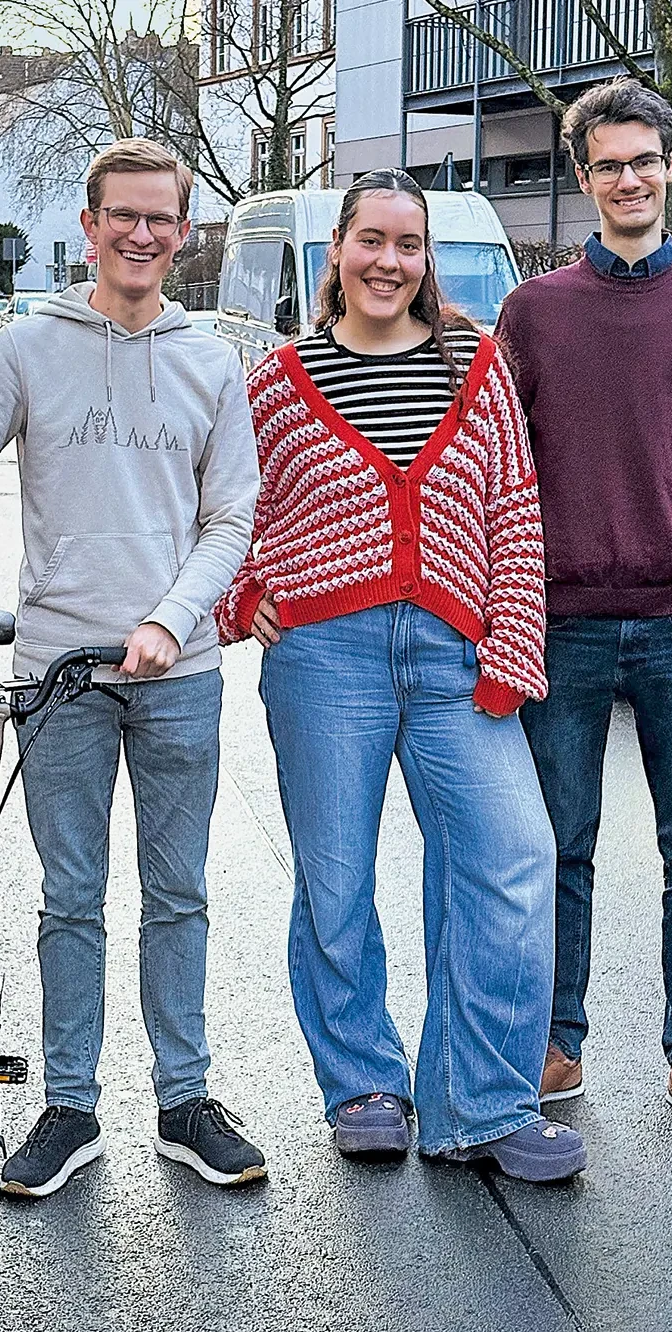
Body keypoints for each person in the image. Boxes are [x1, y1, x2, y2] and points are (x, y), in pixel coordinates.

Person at [0, 138, 266, 1195]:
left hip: (179, 677)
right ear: (88, 227)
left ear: (182, 231)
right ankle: (70, 1107)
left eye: (159, 219)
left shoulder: (212, 360)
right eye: (121, 216)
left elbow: (231, 521)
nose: (140, 234)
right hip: (61, 676)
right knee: (71, 897)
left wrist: (174, 621)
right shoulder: (32, 347)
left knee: (178, 893)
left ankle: (185, 1099)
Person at [216, 168, 586, 1180]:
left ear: (428, 260)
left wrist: (515, 646)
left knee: (511, 859)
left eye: (407, 244)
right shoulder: (278, 382)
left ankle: (487, 1102)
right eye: (370, 240)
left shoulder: (478, 365)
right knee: (336, 881)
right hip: (323, 659)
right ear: (337, 249)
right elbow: (225, 513)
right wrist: (244, 597)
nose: (388, 261)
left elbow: (515, 507)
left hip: (456, 654)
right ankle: (366, 1082)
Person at [496, 78, 672, 1142]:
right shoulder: (534, 314)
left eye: (643, 160)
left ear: (669, 169)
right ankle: (556, 1036)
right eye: (607, 163)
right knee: (559, 846)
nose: (627, 178)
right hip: (561, 624)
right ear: (583, 179)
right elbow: (498, 477)